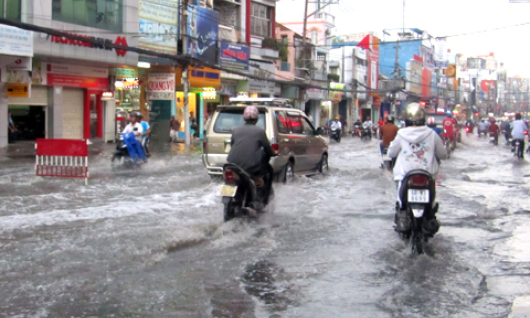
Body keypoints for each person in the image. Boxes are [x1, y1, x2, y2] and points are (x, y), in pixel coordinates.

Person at [388, 103, 447, 207]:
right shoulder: (432, 134)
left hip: (404, 175)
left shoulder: (401, 134)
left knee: (400, 205)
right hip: (428, 175)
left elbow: (391, 153)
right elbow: (443, 154)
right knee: (432, 207)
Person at [227, 106, 274, 187]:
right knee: (269, 172)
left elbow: (232, 145)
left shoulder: (235, 130)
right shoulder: (260, 131)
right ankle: (264, 196)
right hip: (252, 168)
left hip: (232, 164)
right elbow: (267, 149)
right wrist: (273, 153)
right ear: (256, 119)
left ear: (244, 118)